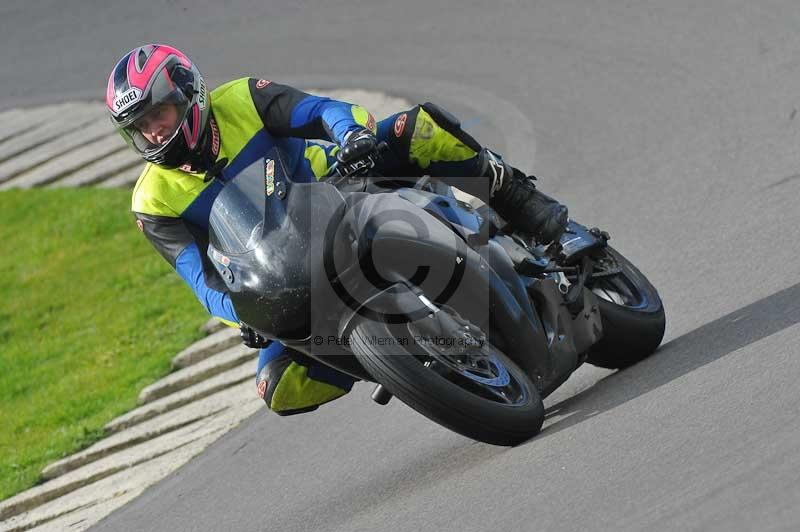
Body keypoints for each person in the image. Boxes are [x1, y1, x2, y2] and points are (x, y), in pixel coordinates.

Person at [107, 43, 568, 416]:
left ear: (188, 95)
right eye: (140, 127)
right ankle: (400, 365)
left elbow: (321, 110)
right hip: (285, 273)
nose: (153, 132)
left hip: (340, 187)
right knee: (279, 386)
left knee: (418, 128)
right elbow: (201, 281)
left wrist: (351, 135)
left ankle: (523, 203)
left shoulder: (242, 99)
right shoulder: (151, 201)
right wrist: (242, 315)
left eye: (158, 114)